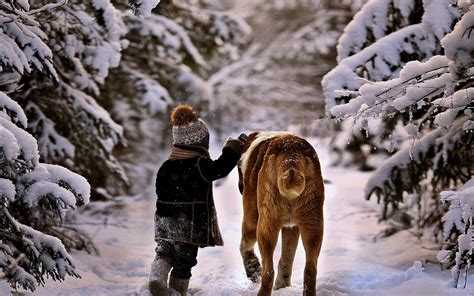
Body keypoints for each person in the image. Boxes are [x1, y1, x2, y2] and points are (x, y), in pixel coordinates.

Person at [149, 104, 247, 295]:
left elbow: (160, 192)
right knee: (185, 260)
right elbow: (220, 168)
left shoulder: (166, 166)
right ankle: (178, 291)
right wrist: (233, 148)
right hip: (189, 223)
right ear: (200, 143)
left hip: (164, 221)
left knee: (164, 252)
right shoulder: (199, 164)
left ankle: (156, 278)